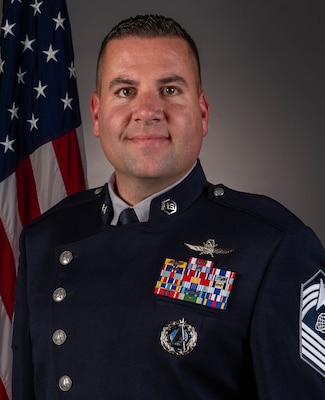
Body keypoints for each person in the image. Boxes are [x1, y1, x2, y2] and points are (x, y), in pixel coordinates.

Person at [12, 14, 325, 399]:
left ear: (203, 111)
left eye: (170, 90)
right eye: (125, 91)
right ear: (96, 115)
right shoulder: (45, 238)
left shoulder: (272, 245)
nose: (147, 111)